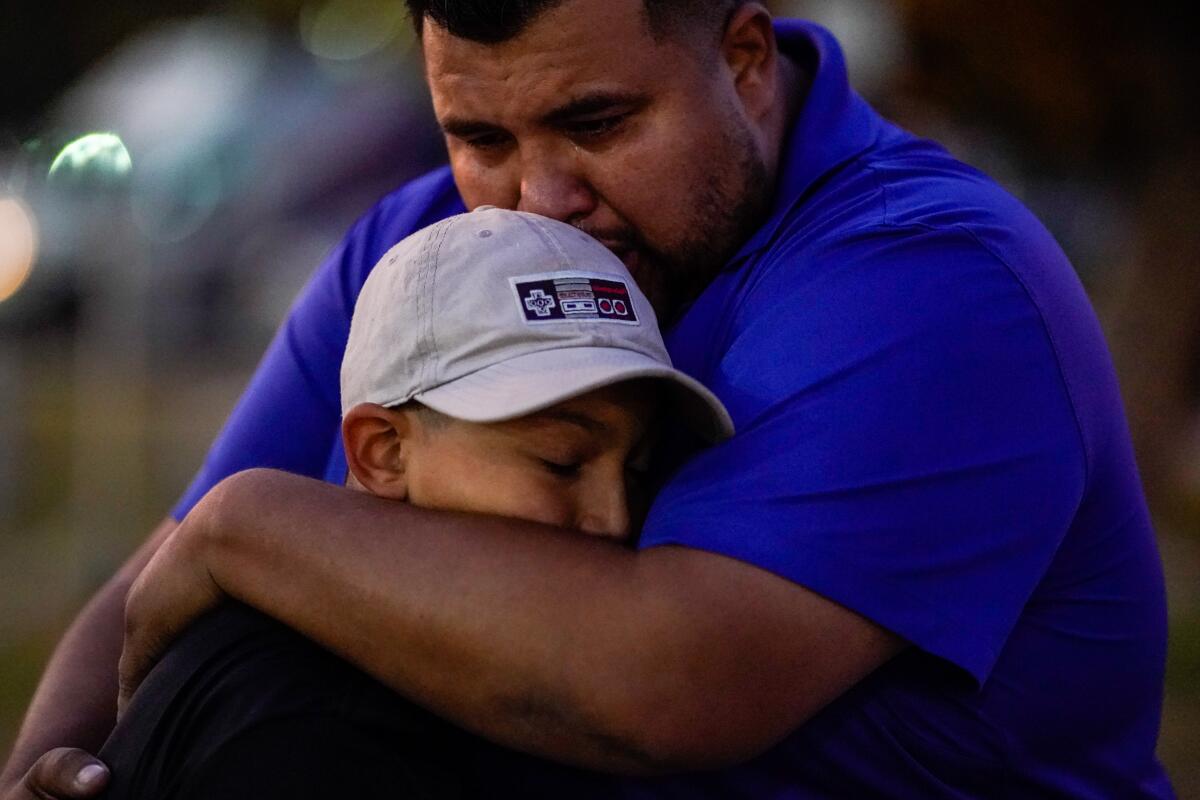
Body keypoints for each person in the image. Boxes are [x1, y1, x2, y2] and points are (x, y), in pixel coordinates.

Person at [2, 1, 1174, 798]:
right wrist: (51, 762)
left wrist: (246, 526)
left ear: (747, 59)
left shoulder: (934, 279)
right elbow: (152, 589)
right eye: (478, 134)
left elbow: (673, 684)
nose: (542, 198)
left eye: (597, 123)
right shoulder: (420, 239)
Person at [95, 207, 733, 799]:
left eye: (640, 471)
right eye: (561, 462)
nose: (615, 519)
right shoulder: (313, 735)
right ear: (383, 452)